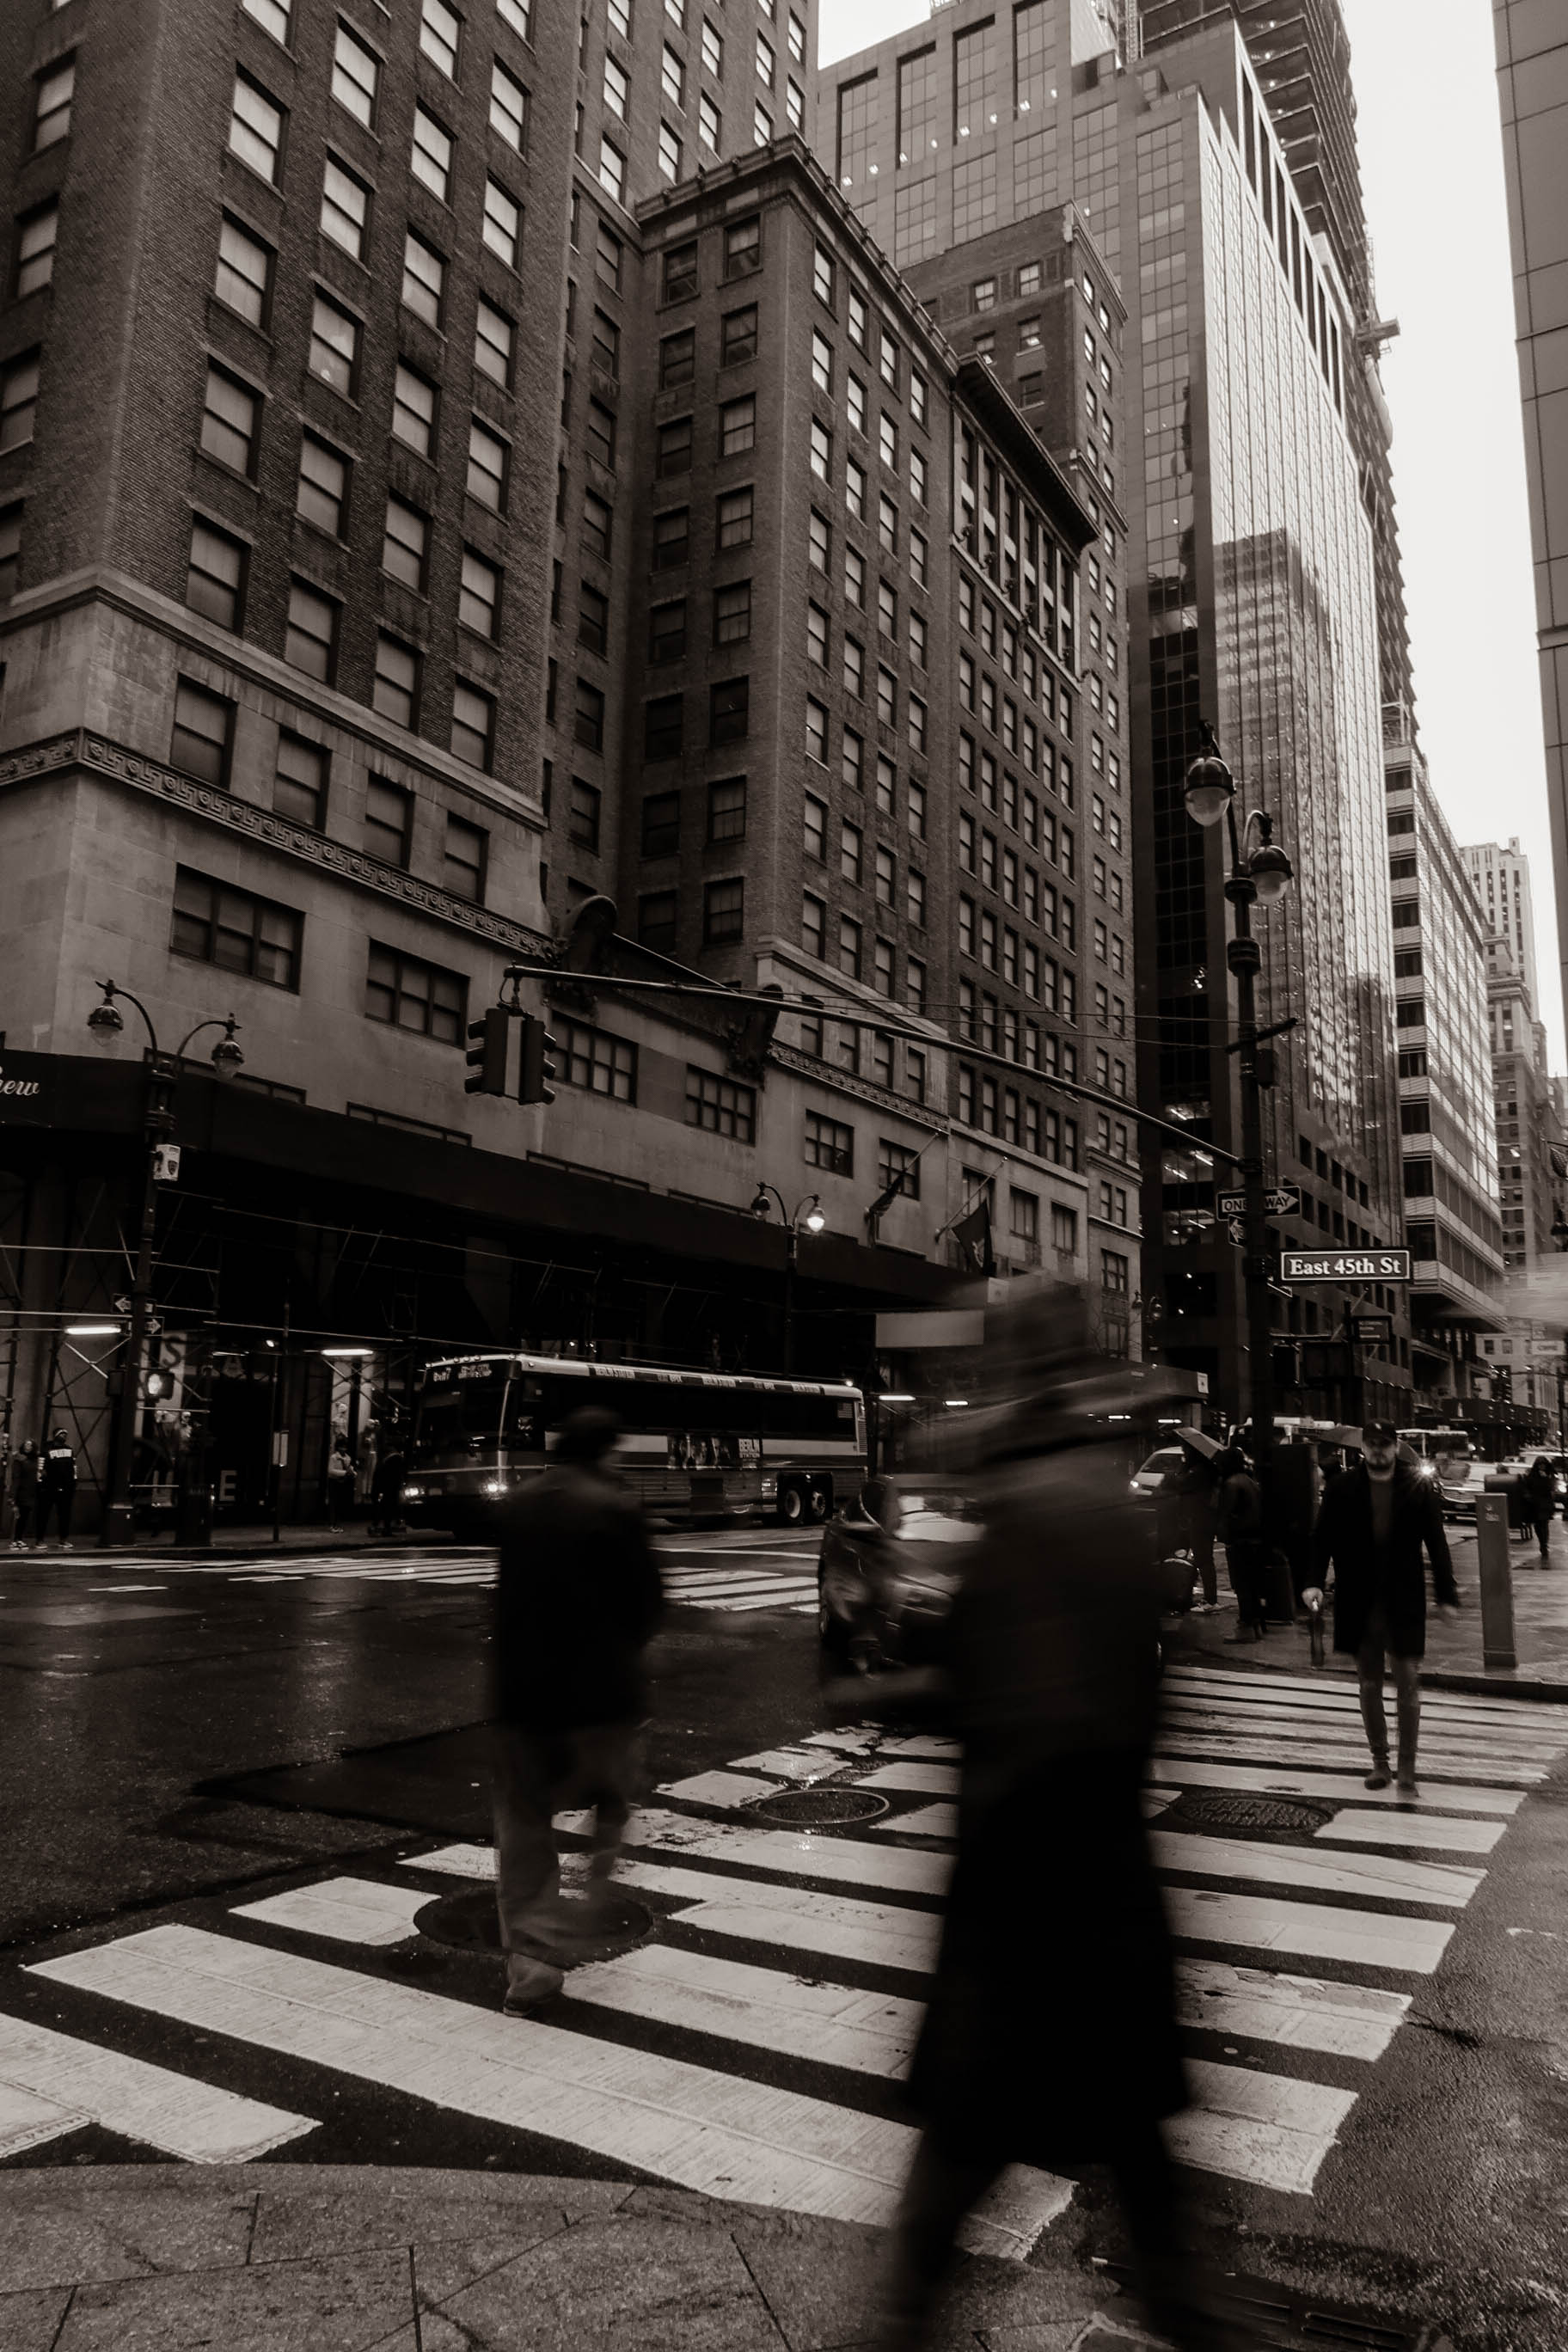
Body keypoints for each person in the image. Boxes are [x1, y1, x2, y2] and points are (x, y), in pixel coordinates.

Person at [873, 1289, 1227, 2352]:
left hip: (1029, 1893)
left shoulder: (1029, 1506)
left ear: (1019, 1372)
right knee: (1136, 2155)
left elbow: (1024, 1700)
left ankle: (902, 2325)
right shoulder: (1102, 1497)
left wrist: (902, 1688)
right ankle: (1182, 2310)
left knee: (964, 2146)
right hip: (1103, 1881)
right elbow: (1136, 1690)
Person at [491, 1406, 664, 2015]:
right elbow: (648, 1606)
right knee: (612, 1806)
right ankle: (584, 1915)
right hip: (602, 1699)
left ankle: (532, 1961)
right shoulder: (616, 1508)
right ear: (606, 1450)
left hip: (522, 1700)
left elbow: (505, 1601)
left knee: (523, 1824)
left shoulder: (519, 1505)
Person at [1305, 1419, 1460, 1795]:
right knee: (1369, 1683)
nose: (1377, 1449)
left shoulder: (1417, 1486)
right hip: (1359, 1598)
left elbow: (1436, 1542)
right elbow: (1322, 1537)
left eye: (1384, 1443)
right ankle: (1380, 1763)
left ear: (1394, 1446)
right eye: (1371, 1443)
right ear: (1363, 1447)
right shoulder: (1342, 1487)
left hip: (1403, 1597)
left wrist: (1446, 1594)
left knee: (1407, 1681)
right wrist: (1312, 1582)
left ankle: (1407, 1767)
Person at [1212, 1445, 1265, 1640]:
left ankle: (1246, 1626)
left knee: (1242, 1585)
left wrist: (1223, 1535)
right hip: (1255, 1540)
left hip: (1239, 1540)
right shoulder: (1250, 1481)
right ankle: (1255, 1625)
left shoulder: (1231, 1484)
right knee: (1252, 1585)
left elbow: (1225, 1515)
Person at [1173, 1446, 1218, 1610]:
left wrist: (1183, 1467)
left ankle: (1210, 1600)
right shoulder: (1208, 1470)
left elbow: (1179, 1483)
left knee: (1203, 1559)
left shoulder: (1198, 1472)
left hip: (1199, 1519)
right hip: (1205, 1519)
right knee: (1205, 1559)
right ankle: (1209, 1598)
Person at [36, 1430, 77, 1547]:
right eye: (61, 1434)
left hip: (65, 1488)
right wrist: (40, 1484)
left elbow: (74, 1468)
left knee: (65, 1515)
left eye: (65, 1434)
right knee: (43, 1514)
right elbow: (40, 1468)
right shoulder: (46, 1450)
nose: (64, 1436)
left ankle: (63, 1539)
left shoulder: (69, 1450)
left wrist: (73, 1483)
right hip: (49, 1487)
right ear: (55, 1436)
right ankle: (40, 1539)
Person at [8, 1440, 40, 1550]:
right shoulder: (19, 1459)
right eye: (26, 1444)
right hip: (21, 1492)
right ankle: (14, 1540)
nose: (27, 1446)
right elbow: (16, 1478)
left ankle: (19, 1539)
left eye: (30, 1444)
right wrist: (12, 1495)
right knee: (18, 1516)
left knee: (24, 1517)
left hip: (31, 1492)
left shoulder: (35, 1460)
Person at [1524, 1456, 1556, 1564]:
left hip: (1545, 1504)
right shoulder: (1532, 1475)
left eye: (1543, 1465)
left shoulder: (1549, 1475)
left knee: (1544, 1524)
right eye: (1540, 1465)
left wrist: (1546, 1478)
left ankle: (1544, 1544)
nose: (1542, 1467)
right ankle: (1542, 1543)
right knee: (1538, 1525)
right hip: (1535, 1504)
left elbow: (1551, 1488)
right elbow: (1527, 1486)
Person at [324, 1436, 356, 1527]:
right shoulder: (334, 1457)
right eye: (341, 1447)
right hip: (334, 1481)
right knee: (333, 1503)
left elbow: (350, 1469)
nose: (343, 1449)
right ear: (338, 1447)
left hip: (343, 1481)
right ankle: (332, 1524)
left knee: (340, 1503)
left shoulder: (348, 1458)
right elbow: (330, 1470)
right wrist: (344, 1473)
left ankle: (337, 1523)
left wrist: (353, 1473)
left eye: (345, 1447)